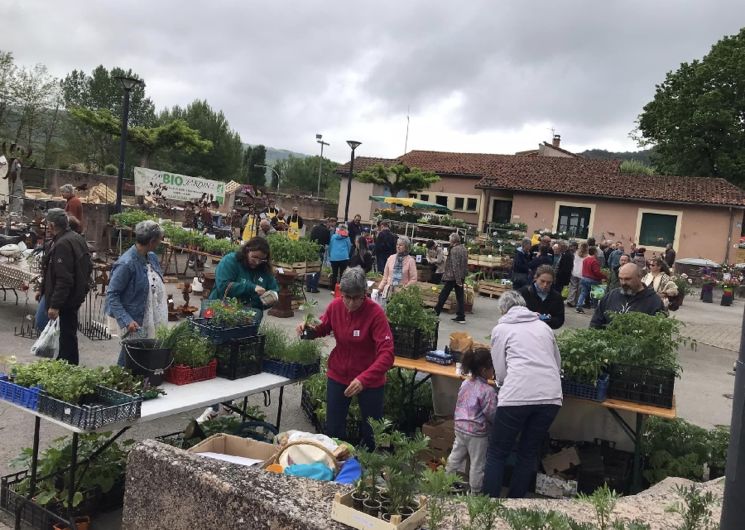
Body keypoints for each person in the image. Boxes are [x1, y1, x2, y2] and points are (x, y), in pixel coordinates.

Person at [296, 267, 394, 449]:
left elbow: (387, 354)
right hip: (339, 374)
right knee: (333, 429)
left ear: (365, 293)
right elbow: (323, 326)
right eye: (346, 297)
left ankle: (369, 468)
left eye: (356, 298)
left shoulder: (376, 314)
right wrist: (307, 329)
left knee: (372, 431)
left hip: (369, 379)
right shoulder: (335, 306)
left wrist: (364, 379)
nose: (350, 303)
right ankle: (336, 465)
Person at [483, 291, 562, 498]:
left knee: (498, 452)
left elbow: (499, 370)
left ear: (503, 310)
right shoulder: (543, 327)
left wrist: (504, 384)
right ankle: (516, 503)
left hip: (516, 396)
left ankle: (487, 504)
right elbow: (557, 362)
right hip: (551, 396)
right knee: (528, 453)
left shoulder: (501, 329)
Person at [105, 221, 168, 366]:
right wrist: (126, 320)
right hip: (135, 320)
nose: (160, 243)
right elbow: (112, 294)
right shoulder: (126, 264)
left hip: (152, 317)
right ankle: (122, 382)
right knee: (131, 355)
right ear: (152, 241)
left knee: (146, 354)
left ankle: (142, 383)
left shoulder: (151, 257)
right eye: (159, 240)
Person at [39, 209, 91, 365]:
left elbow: (64, 279)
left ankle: (67, 367)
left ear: (53, 225)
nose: (46, 227)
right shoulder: (76, 238)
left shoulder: (62, 244)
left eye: (47, 224)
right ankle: (66, 365)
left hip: (66, 299)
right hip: (74, 295)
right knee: (68, 335)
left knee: (66, 337)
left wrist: (55, 305)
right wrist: (42, 290)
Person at [445, 347, 497, 494]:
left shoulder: (466, 383)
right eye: (492, 367)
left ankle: (445, 483)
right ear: (483, 370)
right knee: (477, 463)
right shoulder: (488, 391)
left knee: (455, 456)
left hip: (460, 427)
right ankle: (475, 492)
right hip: (477, 433)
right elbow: (492, 413)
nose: (493, 371)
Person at [207, 237, 278, 325]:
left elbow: (273, 289)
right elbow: (223, 286)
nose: (257, 262)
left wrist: (271, 298)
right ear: (247, 251)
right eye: (254, 257)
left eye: (261, 259)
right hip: (222, 308)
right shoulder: (230, 261)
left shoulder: (265, 269)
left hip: (249, 313)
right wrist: (252, 288)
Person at [590, 263, 665, 328]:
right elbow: (596, 322)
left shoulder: (654, 301)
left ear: (639, 277)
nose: (623, 283)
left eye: (627, 279)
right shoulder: (611, 296)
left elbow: (658, 332)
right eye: (620, 279)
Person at [434, 232, 468, 324]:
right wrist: (462, 277)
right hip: (461, 276)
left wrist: (457, 280)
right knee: (460, 297)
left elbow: (455, 265)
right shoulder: (464, 248)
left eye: (449, 238)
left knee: (443, 295)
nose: (449, 240)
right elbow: (465, 263)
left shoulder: (454, 250)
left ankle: (435, 313)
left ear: (453, 240)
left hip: (452, 277)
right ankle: (461, 316)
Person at [518, 264, 565, 329]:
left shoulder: (557, 297)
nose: (545, 285)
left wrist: (549, 320)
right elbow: (512, 314)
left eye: (549, 282)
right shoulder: (523, 292)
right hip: (523, 331)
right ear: (536, 278)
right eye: (542, 281)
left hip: (543, 333)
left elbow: (559, 320)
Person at [576, 247, 606, 314]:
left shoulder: (585, 259)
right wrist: (604, 276)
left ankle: (579, 306)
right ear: (595, 252)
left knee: (583, 293)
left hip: (584, 278)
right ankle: (596, 308)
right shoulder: (594, 261)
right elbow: (596, 272)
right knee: (596, 294)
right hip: (593, 279)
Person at [307, 218, 331, 293]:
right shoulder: (327, 231)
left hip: (312, 250)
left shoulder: (314, 228)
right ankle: (314, 288)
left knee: (310, 268)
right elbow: (327, 242)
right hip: (320, 251)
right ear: (326, 223)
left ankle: (308, 287)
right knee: (317, 269)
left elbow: (310, 238)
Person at [329, 225, 352, 289]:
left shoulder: (333, 236)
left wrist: (330, 255)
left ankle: (333, 288)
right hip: (344, 257)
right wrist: (347, 254)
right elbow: (349, 247)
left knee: (334, 274)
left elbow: (330, 246)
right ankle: (341, 289)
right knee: (342, 274)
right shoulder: (347, 238)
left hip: (334, 257)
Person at [566, 242, 587, 307]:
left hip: (574, 272)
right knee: (580, 288)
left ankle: (570, 300)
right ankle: (577, 301)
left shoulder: (575, 254)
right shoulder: (587, 256)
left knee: (573, 286)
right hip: (582, 273)